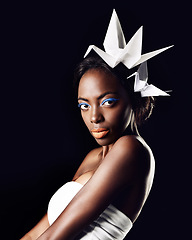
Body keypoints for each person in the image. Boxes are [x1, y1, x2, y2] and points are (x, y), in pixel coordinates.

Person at [20, 10, 172, 240]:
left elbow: (54, 237)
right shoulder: (93, 157)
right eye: (84, 105)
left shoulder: (131, 149)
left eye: (107, 102)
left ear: (133, 99)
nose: (94, 117)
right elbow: (36, 235)